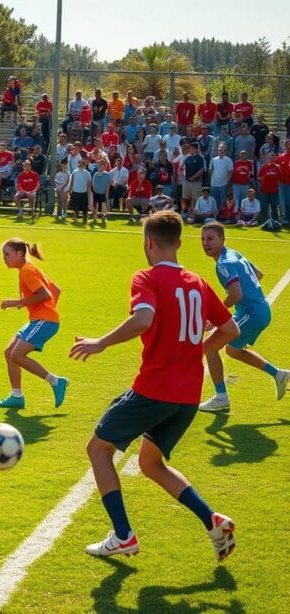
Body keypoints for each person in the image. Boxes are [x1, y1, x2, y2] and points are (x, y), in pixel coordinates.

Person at [69, 211, 239, 561]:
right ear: (179, 243)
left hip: (155, 389)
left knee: (98, 450)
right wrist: (195, 351)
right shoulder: (199, 282)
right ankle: (212, 519)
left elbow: (143, 319)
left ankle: (123, 536)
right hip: (188, 396)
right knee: (150, 463)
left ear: (148, 242)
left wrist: (100, 342)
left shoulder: (146, 277)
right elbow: (230, 331)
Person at [198, 223, 288, 412]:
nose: (206, 243)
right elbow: (258, 274)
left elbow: (236, 295)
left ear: (222, 240)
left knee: (209, 347)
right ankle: (279, 374)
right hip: (255, 311)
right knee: (232, 350)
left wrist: (215, 319)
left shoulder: (224, 264)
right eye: (203, 239)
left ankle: (221, 398)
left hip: (251, 313)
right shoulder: (233, 254)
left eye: (210, 239)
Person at [0, 239, 68, 411]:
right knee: (9, 352)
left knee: (17, 355)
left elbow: (46, 294)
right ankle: (17, 396)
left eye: (7, 254)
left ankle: (56, 381)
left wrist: (19, 302)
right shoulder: (28, 268)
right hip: (40, 319)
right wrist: (43, 310)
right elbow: (56, 290)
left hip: (44, 321)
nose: (4, 258)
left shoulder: (27, 271)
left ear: (19, 253)